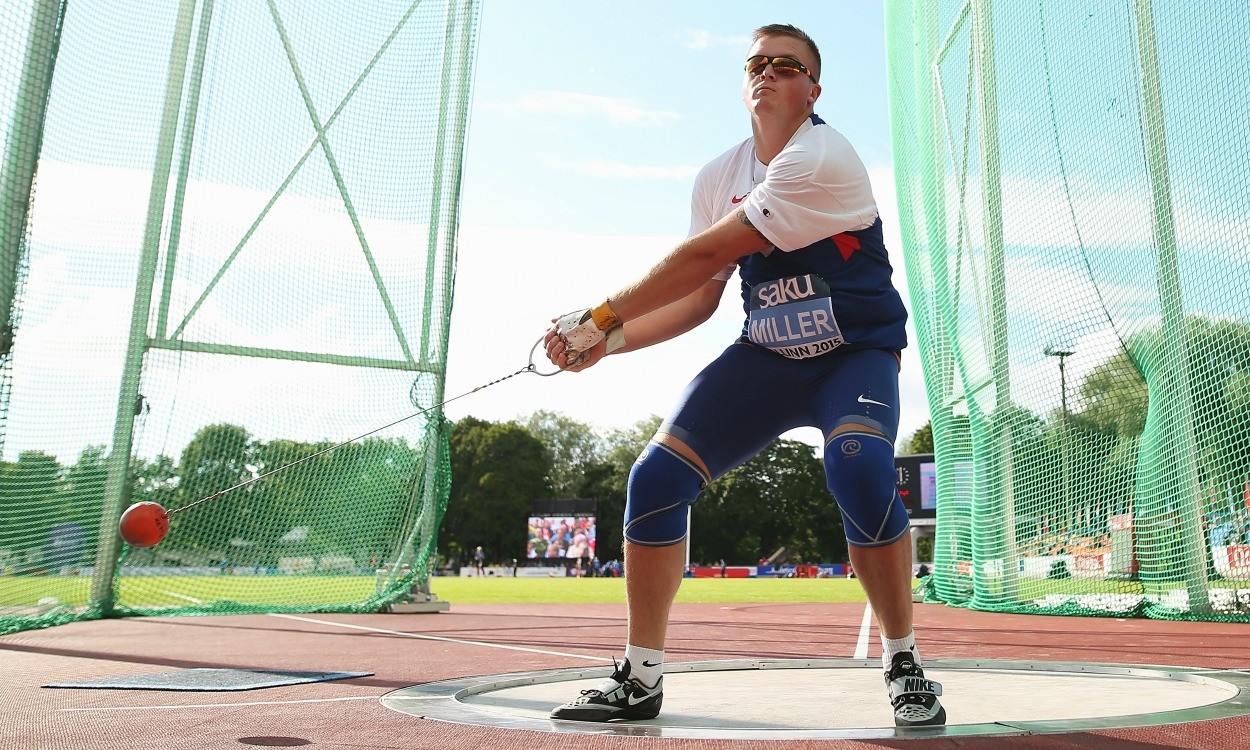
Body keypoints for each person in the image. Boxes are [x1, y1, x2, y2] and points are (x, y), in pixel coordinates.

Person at [541, 24, 945, 727]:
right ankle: (640, 678)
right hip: (765, 359)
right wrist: (612, 343)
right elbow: (700, 301)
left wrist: (600, 315)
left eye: (787, 66)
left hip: (853, 356)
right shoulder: (717, 177)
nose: (768, 73)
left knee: (856, 465)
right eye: (757, 63)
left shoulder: (822, 155)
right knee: (655, 478)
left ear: (812, 89)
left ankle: (903, 660)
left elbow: (703, 257)